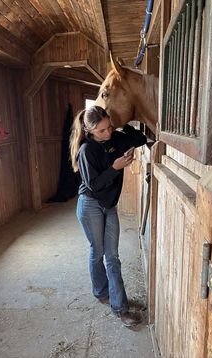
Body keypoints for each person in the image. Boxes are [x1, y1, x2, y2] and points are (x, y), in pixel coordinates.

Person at [70, 106, 147, 327]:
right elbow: (93, 185)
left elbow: (140, 138)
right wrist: (115, 167)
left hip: (110, 206)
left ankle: (118, 303)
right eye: (102, 130)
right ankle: (105, 295)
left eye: (109, 127)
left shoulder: (115, 138)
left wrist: (124, 124)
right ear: (89, 130)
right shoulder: (87, 150)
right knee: (98, 252)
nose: (107, 133)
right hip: (91, 205)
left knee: (112, 256)